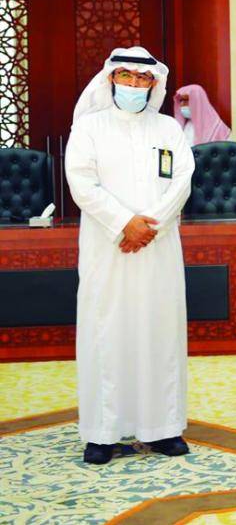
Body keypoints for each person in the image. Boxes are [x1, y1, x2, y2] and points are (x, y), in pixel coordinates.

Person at [65, 46, 195, 465]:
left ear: (154, 84)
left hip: (158, 246)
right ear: (111, 79)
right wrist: (125, 223)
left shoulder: (168, 128)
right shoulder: (89, 127)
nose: (135, 85)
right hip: (108, 248)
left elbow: (182, 181)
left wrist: (148, 226)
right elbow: (82, 183)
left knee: (160, 331)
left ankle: (163, 428)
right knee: (106, 332)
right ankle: (102, 433)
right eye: (127, 77)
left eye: (143, 79)